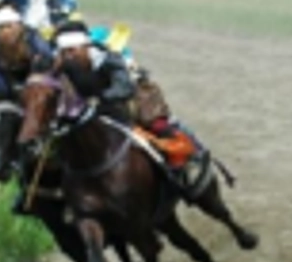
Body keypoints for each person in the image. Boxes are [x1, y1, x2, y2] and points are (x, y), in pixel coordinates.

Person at [53, 21, 199, 178]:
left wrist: (101, 98)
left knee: (156, 124)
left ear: (85, 47)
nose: (68, 56)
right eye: (64, 52)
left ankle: (187, 161)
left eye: (72, 50)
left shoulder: (109, 59)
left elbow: (124, 88)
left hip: (126, 103)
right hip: (89, 112)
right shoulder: (62, 62)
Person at [0, 3, 55, 106]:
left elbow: (47, 60)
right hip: (10, 93)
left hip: (37, 86)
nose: (6, 31)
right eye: (1, 28)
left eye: (9, 26)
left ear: (19, 26)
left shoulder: (33, 39)